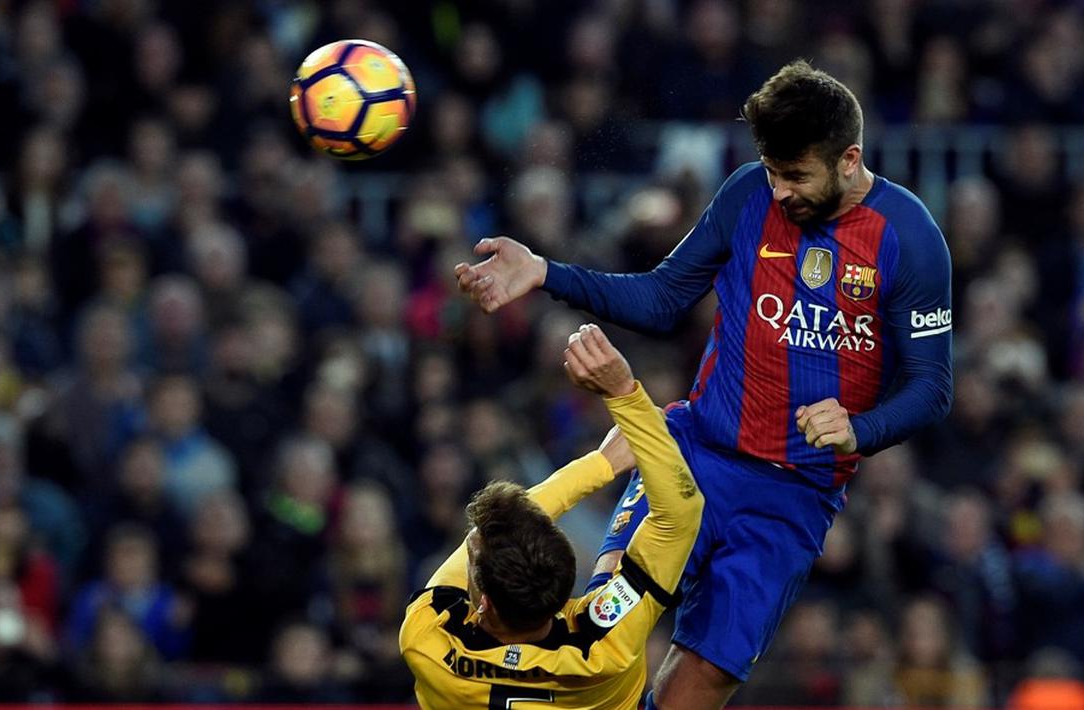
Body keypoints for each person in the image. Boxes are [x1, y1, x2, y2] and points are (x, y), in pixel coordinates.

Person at [455, 60, 953, 708]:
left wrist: (861, 429)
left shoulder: (909, 237)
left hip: (794, 496)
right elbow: (662, 298)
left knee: (704, 680)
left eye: (796, 175)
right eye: (772, 171)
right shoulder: (747, 194)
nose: (780, 191)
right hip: (693, 458)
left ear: (849, 159)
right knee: (601, 637)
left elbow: (931, 386)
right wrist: (546, 272)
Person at [399, 324, 704, 709]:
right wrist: (624, 397)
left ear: (484, 602)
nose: (472, 541)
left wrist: (600, 464)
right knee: (630, 562)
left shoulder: (427, 640)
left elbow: (478, 537)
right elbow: (681, 511)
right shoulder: (606, 644)